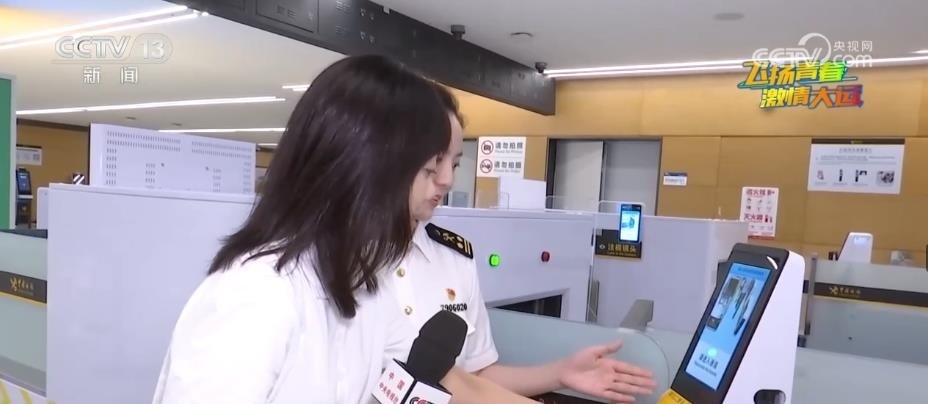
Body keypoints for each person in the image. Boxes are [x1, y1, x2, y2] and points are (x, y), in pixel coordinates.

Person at [151, 55, 540, 404]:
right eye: (427, 169)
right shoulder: (257, 296)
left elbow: (447, 382)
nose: (441, 184)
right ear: (367, 170)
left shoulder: (366, 287)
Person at [386, 89, 658, 403]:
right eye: (434, 163)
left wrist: (561, 373)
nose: (447, 179)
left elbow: (475, 378)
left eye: (456, 164)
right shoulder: (345, 266)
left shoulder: (454, 259)